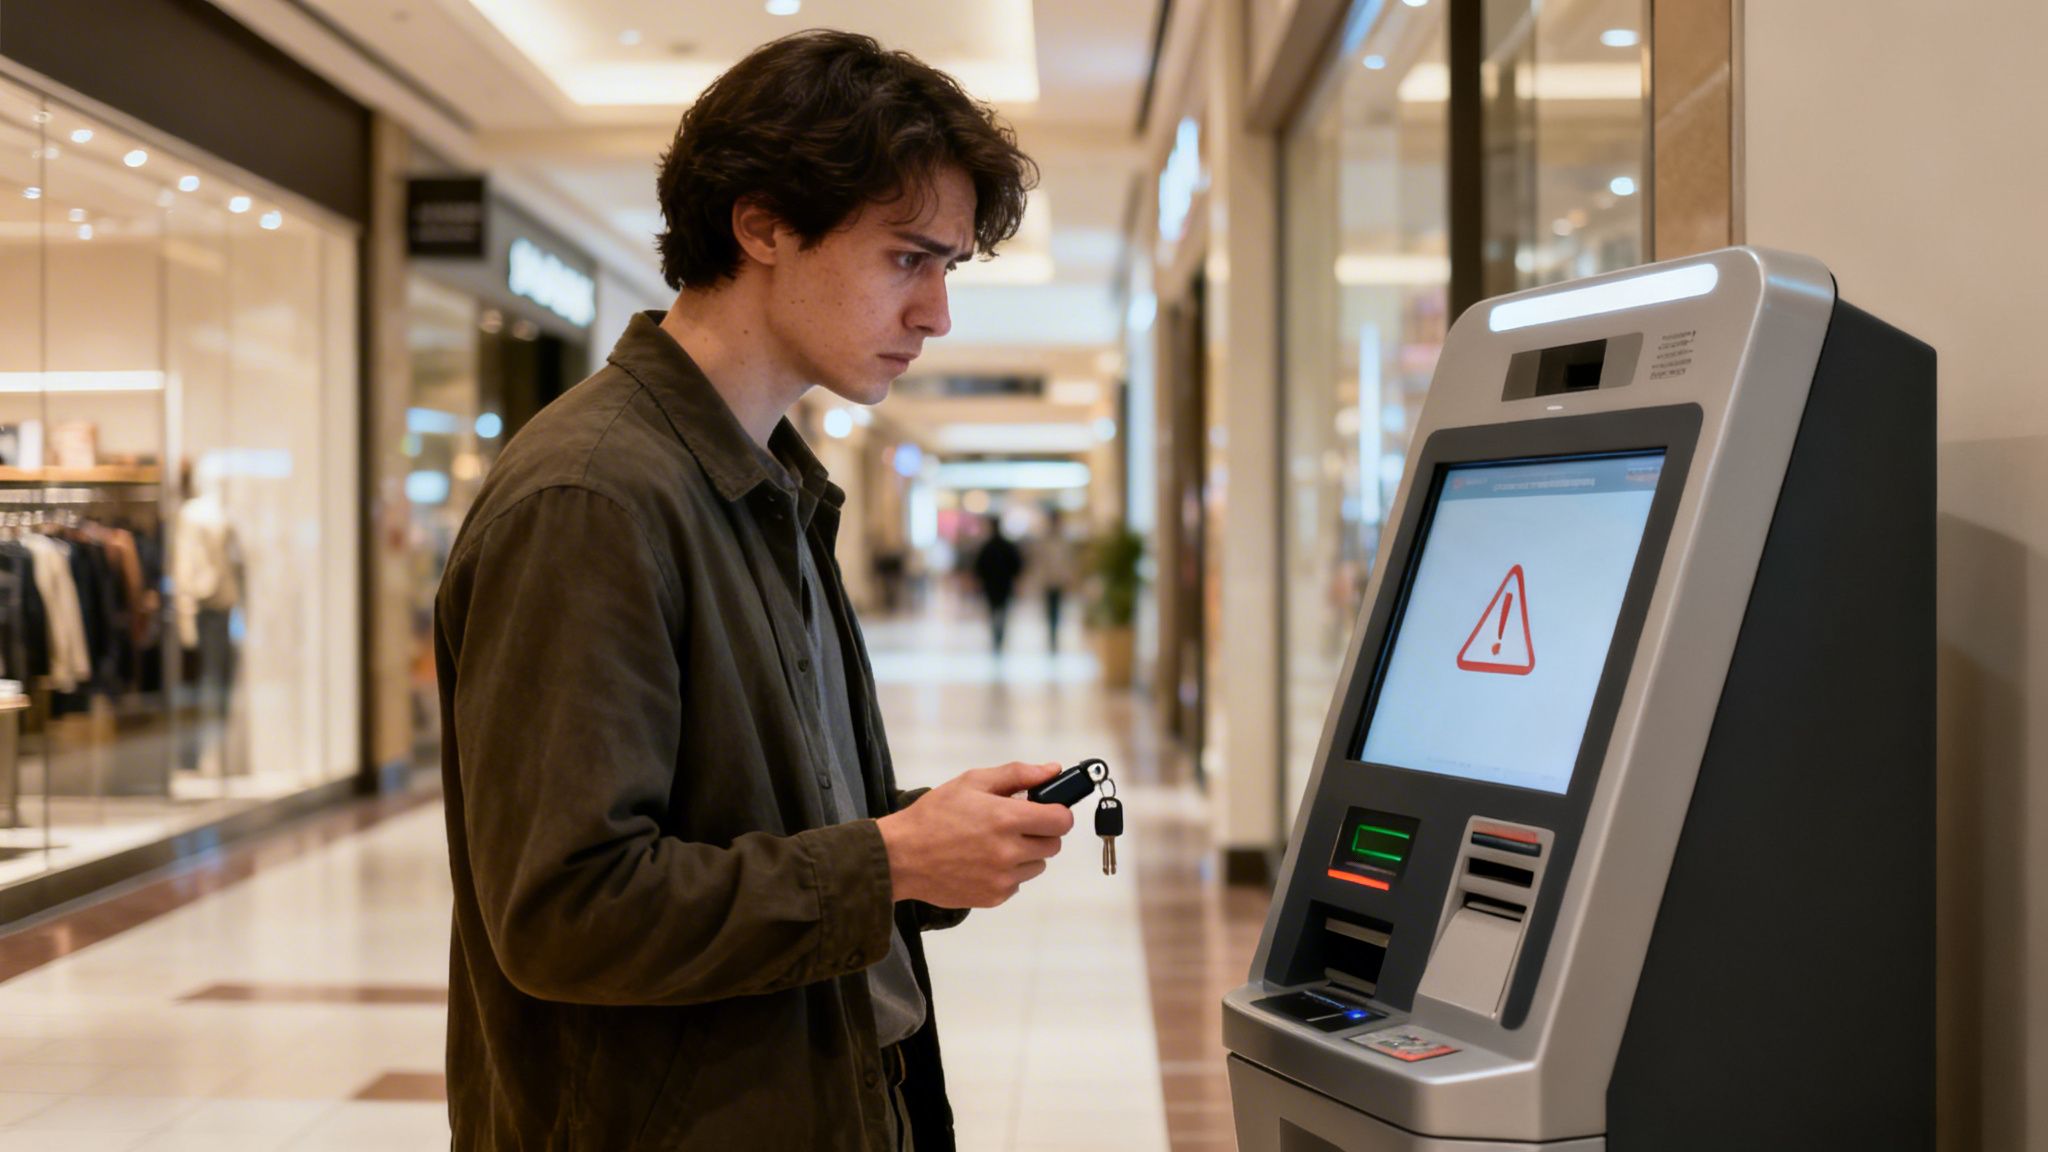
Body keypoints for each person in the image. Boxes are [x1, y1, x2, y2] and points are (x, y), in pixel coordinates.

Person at [433, 31, 1074, 1151]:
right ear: (764, 223)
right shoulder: (593, 500)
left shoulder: (768, 485)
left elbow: (750, 817)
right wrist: (893, 858)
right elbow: (566, 913)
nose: (935, 314)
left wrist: (922, 841)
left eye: (946, 269)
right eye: (905, 260)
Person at [970, 514, 1023, 654]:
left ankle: (996, 636)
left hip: (992, 585)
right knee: (1002, 611)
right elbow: (1017, 565)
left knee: (994, 611)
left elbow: (979, 567)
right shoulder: (1006, 546)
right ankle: (999, 636)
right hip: (1004, 584)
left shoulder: (988, 546)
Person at [1035, 508, 1078, 652]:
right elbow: (1039, 562)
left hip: (1059, 581)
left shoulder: (1063, 540)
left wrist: (1068, 579)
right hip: (1048, 581)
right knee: (1049, 611)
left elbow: (1068, 562)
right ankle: (1051, 637)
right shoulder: (1044, 540)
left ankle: (1055, 638)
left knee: (1057, 611)